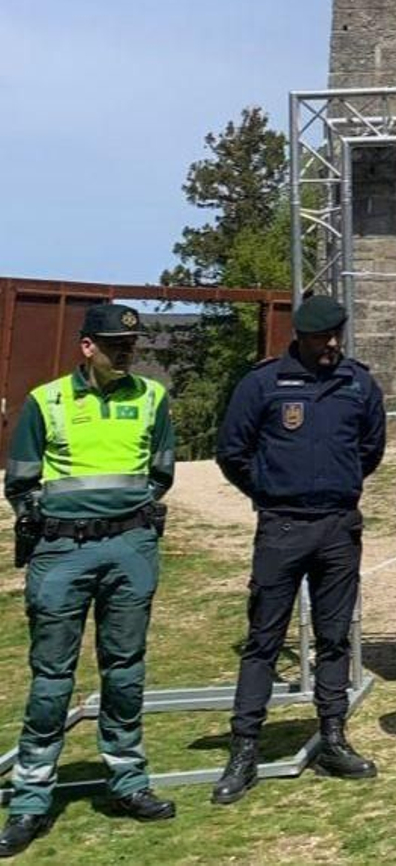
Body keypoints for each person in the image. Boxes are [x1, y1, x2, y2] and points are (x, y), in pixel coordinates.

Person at [1, 305, 177, 856]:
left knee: (125, 671)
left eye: (129, 345)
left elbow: (161, 470)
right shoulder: (46, 400)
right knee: (52, 679)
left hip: (129, 548)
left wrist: (132, 521)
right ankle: (30, 798)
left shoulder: (151, 397)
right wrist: (57, 525)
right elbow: (21, 481)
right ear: (85, 347)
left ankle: (127, 781)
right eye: (111, 344)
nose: (124, 352)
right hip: (63, 552)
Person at [211, 294, 387, 804]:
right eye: (321, 337)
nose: (331, 345)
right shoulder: (263, 383)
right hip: (282, 527)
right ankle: (245, 747)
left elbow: (370, 450)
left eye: (337, 335)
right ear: (301, 337)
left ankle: (332, 736)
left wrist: (338, 484)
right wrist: (269, 490)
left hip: (337, 526)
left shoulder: (358, 383)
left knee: (335, 638)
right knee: (264, 639)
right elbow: (232, 451)